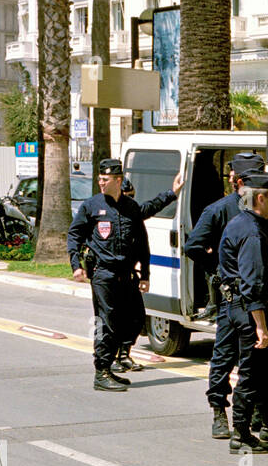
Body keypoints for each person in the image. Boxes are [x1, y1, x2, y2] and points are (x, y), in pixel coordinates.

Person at [185, 153, 268, 442]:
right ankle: (220, 410)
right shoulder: (220, 211)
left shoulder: (265, 210)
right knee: (225, 356)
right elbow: (193, 246)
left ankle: (266, 418)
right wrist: (217, 269)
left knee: (262, 360)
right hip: (236, 298)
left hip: (258, 292)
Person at [218, 169, 268, 455]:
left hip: (252, 304)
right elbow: (251, 285)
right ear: (260, 198)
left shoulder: (253, 223)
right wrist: (261, 326)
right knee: (251, 372)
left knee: (264, 371)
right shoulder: (251, 232)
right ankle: (240, 434)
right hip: (249, 308)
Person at [67, 157, 150, 392]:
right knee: (107, 321)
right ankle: (101, 371)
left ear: (118, 180)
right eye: (99, 179)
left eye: (105, 179)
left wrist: (145, 274)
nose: (101, 183)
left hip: (127, 275)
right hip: (103, 274)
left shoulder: (130, 207)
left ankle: (113, 363)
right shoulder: (91, 206)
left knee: (134, 319)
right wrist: (76, 265)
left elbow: (142, 243)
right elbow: (74, 235)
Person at [116, 169, 185, 372]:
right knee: (112, 320)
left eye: (131, 197)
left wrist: (172, 193)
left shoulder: (133, 213)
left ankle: (124, 354)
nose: (129, 201)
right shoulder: (105, 215)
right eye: (125, 197)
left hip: (130, 275)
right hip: (109, 277)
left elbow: (151, 207)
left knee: (136, 317)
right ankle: (109, 359)